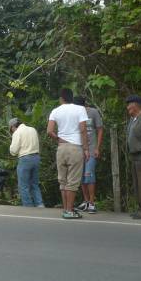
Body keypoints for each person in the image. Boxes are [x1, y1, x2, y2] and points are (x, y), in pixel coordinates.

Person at [47, 88, 90, 219]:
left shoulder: (55, 111)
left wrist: (58, 139)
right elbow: (83, 130)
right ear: (72, 97)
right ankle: (70, 211)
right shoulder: (80, 109)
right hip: (75, 148)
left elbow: (49, 131)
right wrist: (86, 149)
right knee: (73, 182)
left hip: (61, 148)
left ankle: (66, 209)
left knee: (63, 181)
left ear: (61, 98)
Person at [73, 96, 104, 214]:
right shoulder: (75, 114)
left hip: (91, 149)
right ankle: (85, 202)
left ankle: (92, 203)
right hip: (79, 149)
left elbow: (100, 129)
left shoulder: (93, 112)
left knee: (89, 174)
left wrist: (97, 147)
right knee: (81, 177)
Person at [9, 118, 44, 208]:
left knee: (23, 185)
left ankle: (28, 207)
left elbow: (13, 151)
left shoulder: (17, 132)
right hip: (36, 157)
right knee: (34, 184)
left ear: (13, 126)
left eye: (11, 129)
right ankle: (40, 205)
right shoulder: (33, 129)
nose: (11, 131)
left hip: (25, 159)